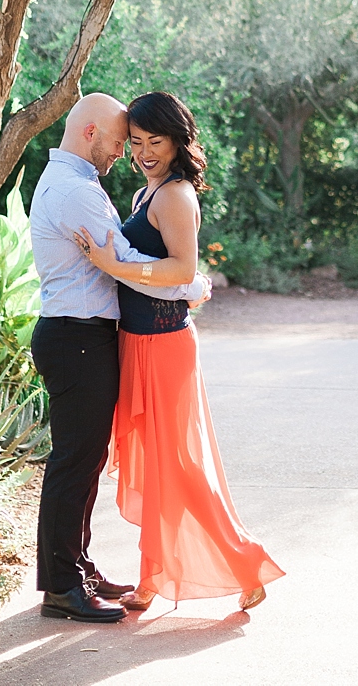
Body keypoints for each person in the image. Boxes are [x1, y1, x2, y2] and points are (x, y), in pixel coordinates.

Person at [77, 91, 284, 612]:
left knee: (180, 466)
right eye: (138, 141)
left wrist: (113, 265)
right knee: (155, 466)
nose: (145, 152)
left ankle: (247, 561)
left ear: (177, 142)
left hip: (165, 347)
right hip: (138, 342)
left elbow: (182, 272)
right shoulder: (147, 194)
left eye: (157, 142)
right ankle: (153, 576)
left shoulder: (175, 196)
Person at [29, 92, 210, 625]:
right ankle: (62, 587)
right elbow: (124, 261)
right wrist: (192, 285)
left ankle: (76, 568)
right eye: (119, 142)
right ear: (90, 134)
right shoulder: (76, 191)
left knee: (84, 464)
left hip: (84, 337)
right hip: (77, 338)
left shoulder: (79, 184)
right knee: (73, 463)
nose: (122, 154)